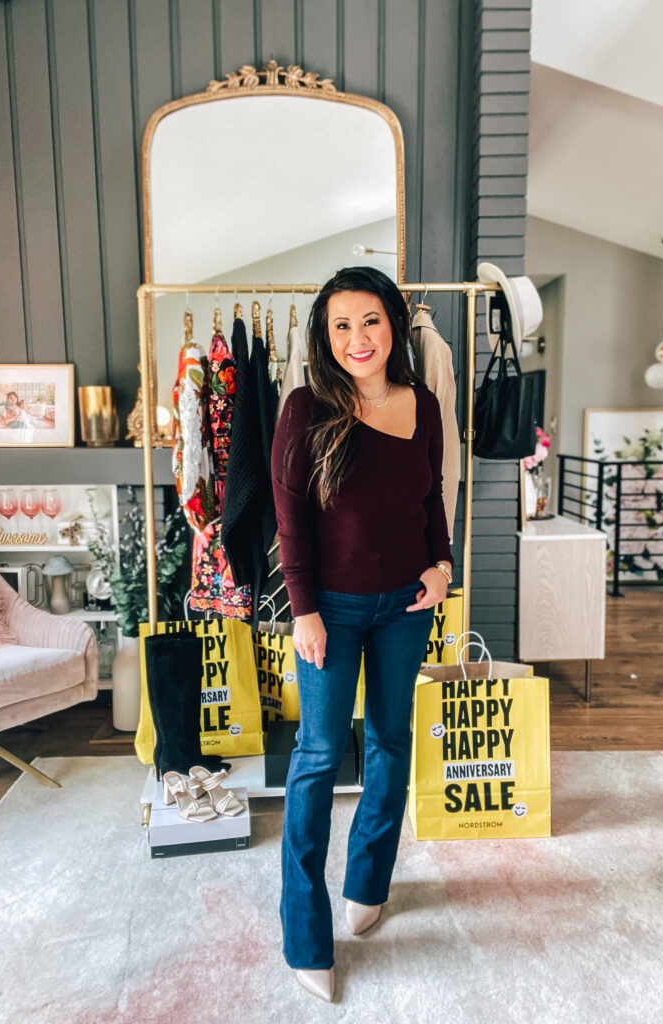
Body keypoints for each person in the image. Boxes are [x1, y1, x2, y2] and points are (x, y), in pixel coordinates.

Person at [271, 266, 453, 1002]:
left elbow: (430, 497)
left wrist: (443, 564)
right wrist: (303, 609)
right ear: (324, 334)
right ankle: (304, 932)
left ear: (393, 325)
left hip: (408, 602)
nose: (357, 338)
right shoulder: (305, 408)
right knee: (317, 756)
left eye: (370, 321)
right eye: (341, 324)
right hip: (332, 611)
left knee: (390, 741)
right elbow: (290, 522)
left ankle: (369, 882)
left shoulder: (425, 404)